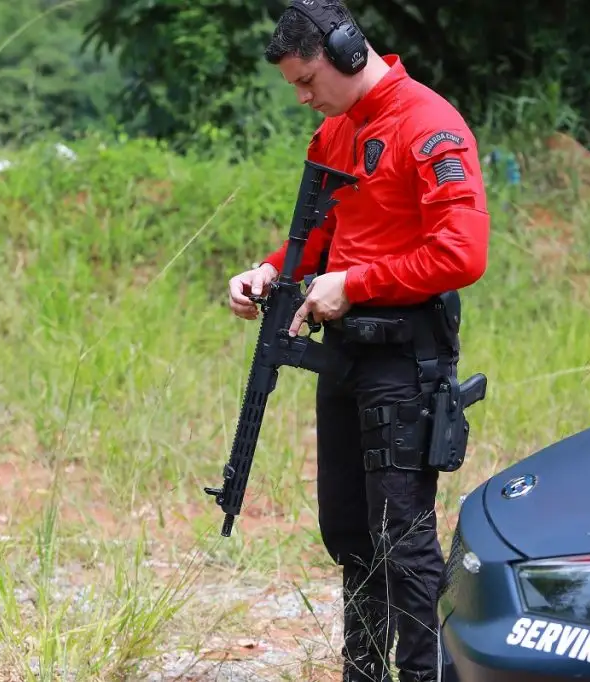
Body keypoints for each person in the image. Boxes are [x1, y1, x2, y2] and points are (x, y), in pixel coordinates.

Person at [227, 1, 490, 680]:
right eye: (294, 85)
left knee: (403, 538)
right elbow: (315, 241)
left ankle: (429, 674)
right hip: (344, 355)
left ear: (348, 51)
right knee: (349, 532)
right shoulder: (335, 133)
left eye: (308, 79)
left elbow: (462, 255)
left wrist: (358, 284)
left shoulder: (429, 125)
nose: (304, 96)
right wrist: (269, 275)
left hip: (404, 356)